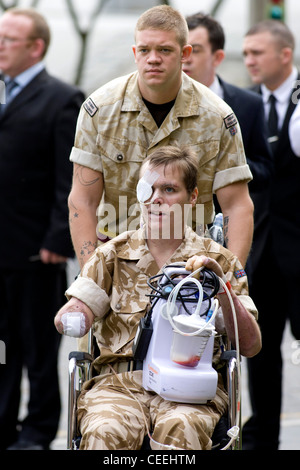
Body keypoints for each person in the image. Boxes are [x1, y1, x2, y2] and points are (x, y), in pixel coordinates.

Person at [55, 145, 261, 450]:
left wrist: (220, 287)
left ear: (192, 197)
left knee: (182, 430)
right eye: (148, 188)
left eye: (168, 189)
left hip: (188, 388)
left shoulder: (219, 260)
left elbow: (251, 345)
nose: (156, 198)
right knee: (104, 431)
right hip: (118, 386)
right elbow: (75, 311)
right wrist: (75, 314)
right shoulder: (112, 255)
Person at [68, 5, 254, 271]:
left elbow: (237, 206)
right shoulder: (100, 110)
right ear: (135, 53)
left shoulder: (216, 116)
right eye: (144, 50)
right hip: (117, 269)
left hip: (191, 274)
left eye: (164, 50)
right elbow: (82, 200)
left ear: (184, 54)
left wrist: (229, 278)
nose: (153, 59)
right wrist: (91, 277)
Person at [0, 8, 84, 450]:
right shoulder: (1, 93)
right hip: (1, 248)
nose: (0, 46)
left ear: (35, 46)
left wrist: (58, 239)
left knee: (36, 351)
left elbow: (68, 179)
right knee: (0, 349)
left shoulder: (62, 98)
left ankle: (36, 433)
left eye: (8, 39)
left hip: (36, 253)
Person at [242, 19, 300, 450]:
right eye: (245, 54)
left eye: (256, 53)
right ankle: (263, 440)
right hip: (261, 251)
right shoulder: (245, 107)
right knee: (259, 356)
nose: (249, 61)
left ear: (286, 54)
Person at [184, 13, 273, 278]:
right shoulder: (160, 105)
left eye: (195, 50)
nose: (185, 57)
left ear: (218, 57)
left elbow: (266, 170)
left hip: (228, 239)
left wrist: (223, 171)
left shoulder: (248, 104)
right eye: (181, 49)